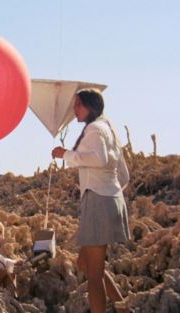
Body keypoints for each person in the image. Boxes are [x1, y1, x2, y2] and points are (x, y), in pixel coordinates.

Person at [51, 89, 131, 313]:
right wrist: (111, 191)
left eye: (78, 104)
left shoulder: (95, 129)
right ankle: (123, 308)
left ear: (91, 106)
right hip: (106, 199)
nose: (74, 109)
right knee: (84, 264)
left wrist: (65, 154)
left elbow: (99, 159)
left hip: (98, 201)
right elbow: (124, 174)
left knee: (94, 275)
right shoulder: (108, 128)